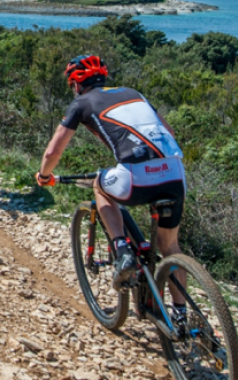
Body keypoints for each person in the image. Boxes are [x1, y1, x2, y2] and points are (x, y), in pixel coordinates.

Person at [36, 55, 188, 315]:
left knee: (100, 184)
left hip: (136, 177)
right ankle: (181, 313)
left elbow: (53, 152)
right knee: (170, 246)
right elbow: (169, 133)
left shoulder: (81, 103)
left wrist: (44, 175)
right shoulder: (134, 93)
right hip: (174, 172)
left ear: (75, 84)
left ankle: (121, 247)